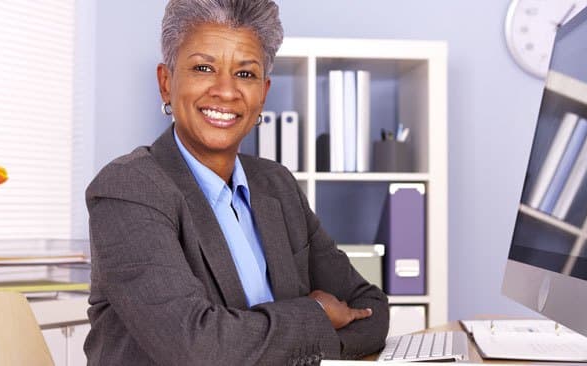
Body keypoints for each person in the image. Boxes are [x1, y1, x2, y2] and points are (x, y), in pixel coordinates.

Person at [84, 0, 389, 364]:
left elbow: (369, 309)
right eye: (203, 68)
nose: (226, 91)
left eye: (245, 74)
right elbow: (197, 348)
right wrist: (318, 316)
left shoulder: (277, 185)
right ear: (166, 83)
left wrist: (301, 345)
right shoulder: (128, 189)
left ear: (263, 93)